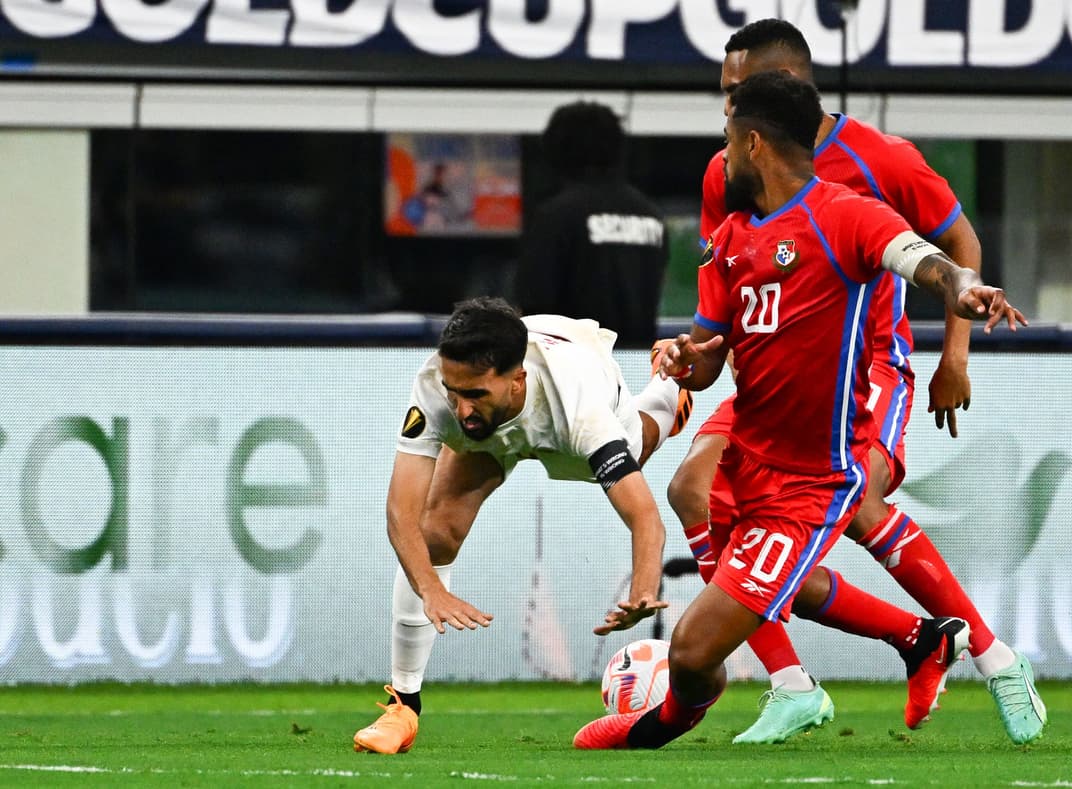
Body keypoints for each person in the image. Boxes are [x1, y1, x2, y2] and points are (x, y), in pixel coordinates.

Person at [574, 70, 1027, 751]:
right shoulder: (727, 240)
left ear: (753, 143)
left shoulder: (846, 214)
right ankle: (904, 644)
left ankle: (665, 723)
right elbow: (709, 355)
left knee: (694, 654)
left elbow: (926, 260)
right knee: (694, 499)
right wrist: (681, 358)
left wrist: (965, 288)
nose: (719, 155)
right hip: (747, 454)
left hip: (809, 478)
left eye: (727, 139)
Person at [353, 296, 689, 754]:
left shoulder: (581, 411)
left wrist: (644, 590)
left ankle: (668, 388)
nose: (461, 408)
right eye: (455, 393)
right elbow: (400, 513)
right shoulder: (438, 385)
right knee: (435, 534)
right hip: (510, 403)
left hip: (577, 373)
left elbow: (645, 519)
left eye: (475, 395)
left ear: (517, 382)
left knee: (644, 441)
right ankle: (403, 705)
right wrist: (431, 588)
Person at [513, 101, 669, 348]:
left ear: (558, 149)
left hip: (570, 371)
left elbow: (535, 307)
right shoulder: (651, 215)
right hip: (634, 369)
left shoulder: (557, 216)